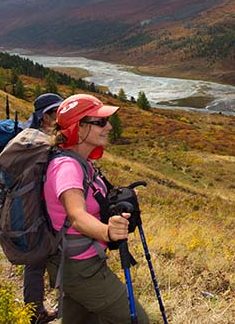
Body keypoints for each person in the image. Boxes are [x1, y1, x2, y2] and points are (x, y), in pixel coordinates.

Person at [45, 94, 150, 324]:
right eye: (100, 122)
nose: (109, 126)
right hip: (82, 269)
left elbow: (91, 201)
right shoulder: (67, 168)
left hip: (75, 263)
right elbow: (76, 215)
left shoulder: (81, 162)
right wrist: (108, 232)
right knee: (138, 321)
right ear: (79, 128)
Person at [24, 93, 64, 324]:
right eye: (55, 112)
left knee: (34, 264)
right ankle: (68, 310)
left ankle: (34, 312)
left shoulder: (25, 137)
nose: (60, 116)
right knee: (62, 258)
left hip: (29, 212)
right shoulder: (42, 142)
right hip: (44, 212)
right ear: (45, 116)